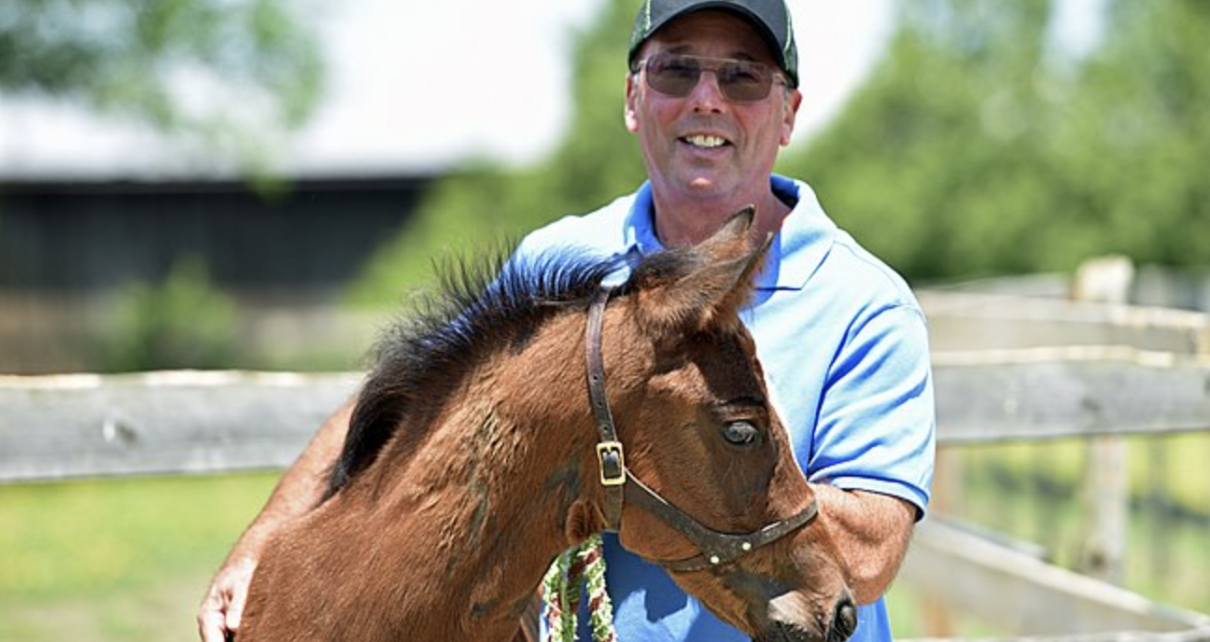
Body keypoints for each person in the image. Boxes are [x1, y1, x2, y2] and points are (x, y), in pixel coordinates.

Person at [197, 1, 935, 641]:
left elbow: (866, 561)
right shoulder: (562, 258)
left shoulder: (864, 303)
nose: (706, 99)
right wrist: (266, 538)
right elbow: (414, 408)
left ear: (788, 114)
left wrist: (686, 460)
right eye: (676, 71)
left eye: (742, 77)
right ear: (632, 100)